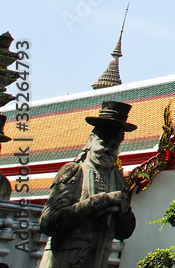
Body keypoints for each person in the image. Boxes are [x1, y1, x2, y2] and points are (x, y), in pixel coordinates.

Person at [39, 101, 137, 268]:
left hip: (98, 259)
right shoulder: (73, 171)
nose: (107, 150)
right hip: (64, 259)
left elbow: (124, 233)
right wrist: (94, 203)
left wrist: (123, 210)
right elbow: (48, 223)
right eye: (102, 142)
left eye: (113, 146)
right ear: (91, 140)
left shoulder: (118, 179)